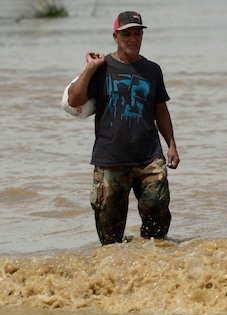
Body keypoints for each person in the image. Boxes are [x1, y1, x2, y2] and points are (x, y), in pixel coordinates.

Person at [67, 11, 180, 245]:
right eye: (126, 34)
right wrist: (89, 68)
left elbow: (160, 110)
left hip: (149, 157)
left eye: (137, 34)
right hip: (110, 160)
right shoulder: (101, 68)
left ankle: (155, 270)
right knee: (110, 240)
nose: (133, 39)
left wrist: (171, 145)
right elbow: (74, 101)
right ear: (115, 37)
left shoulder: (153, 70)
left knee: (157, 227)